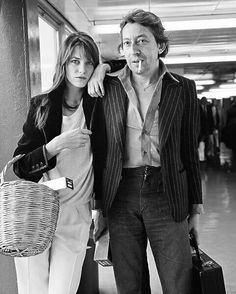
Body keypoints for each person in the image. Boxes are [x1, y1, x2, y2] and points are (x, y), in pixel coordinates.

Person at [90, 9, 203, 294]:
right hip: (120, 195)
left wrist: (196, 208)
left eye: (142, 41)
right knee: (130, 285)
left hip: (168, 192)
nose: (134, 49)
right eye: (127, 43)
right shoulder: (108, 87)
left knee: (179, 283)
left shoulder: (183, 88)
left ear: (160, 46)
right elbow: (100, 152)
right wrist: (98, 206)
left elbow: (189, 150)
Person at [12, 32, 106, 294]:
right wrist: (55, 146)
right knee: (32, 290)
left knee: (62, 290)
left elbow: (128, 62)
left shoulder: (99, 103)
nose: (82, 69)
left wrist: (104, 68)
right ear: (63, 64)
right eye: (75, 62)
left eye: (89, 63)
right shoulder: (42, 105)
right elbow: (20, 168)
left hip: (76, 213)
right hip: (38, 212)